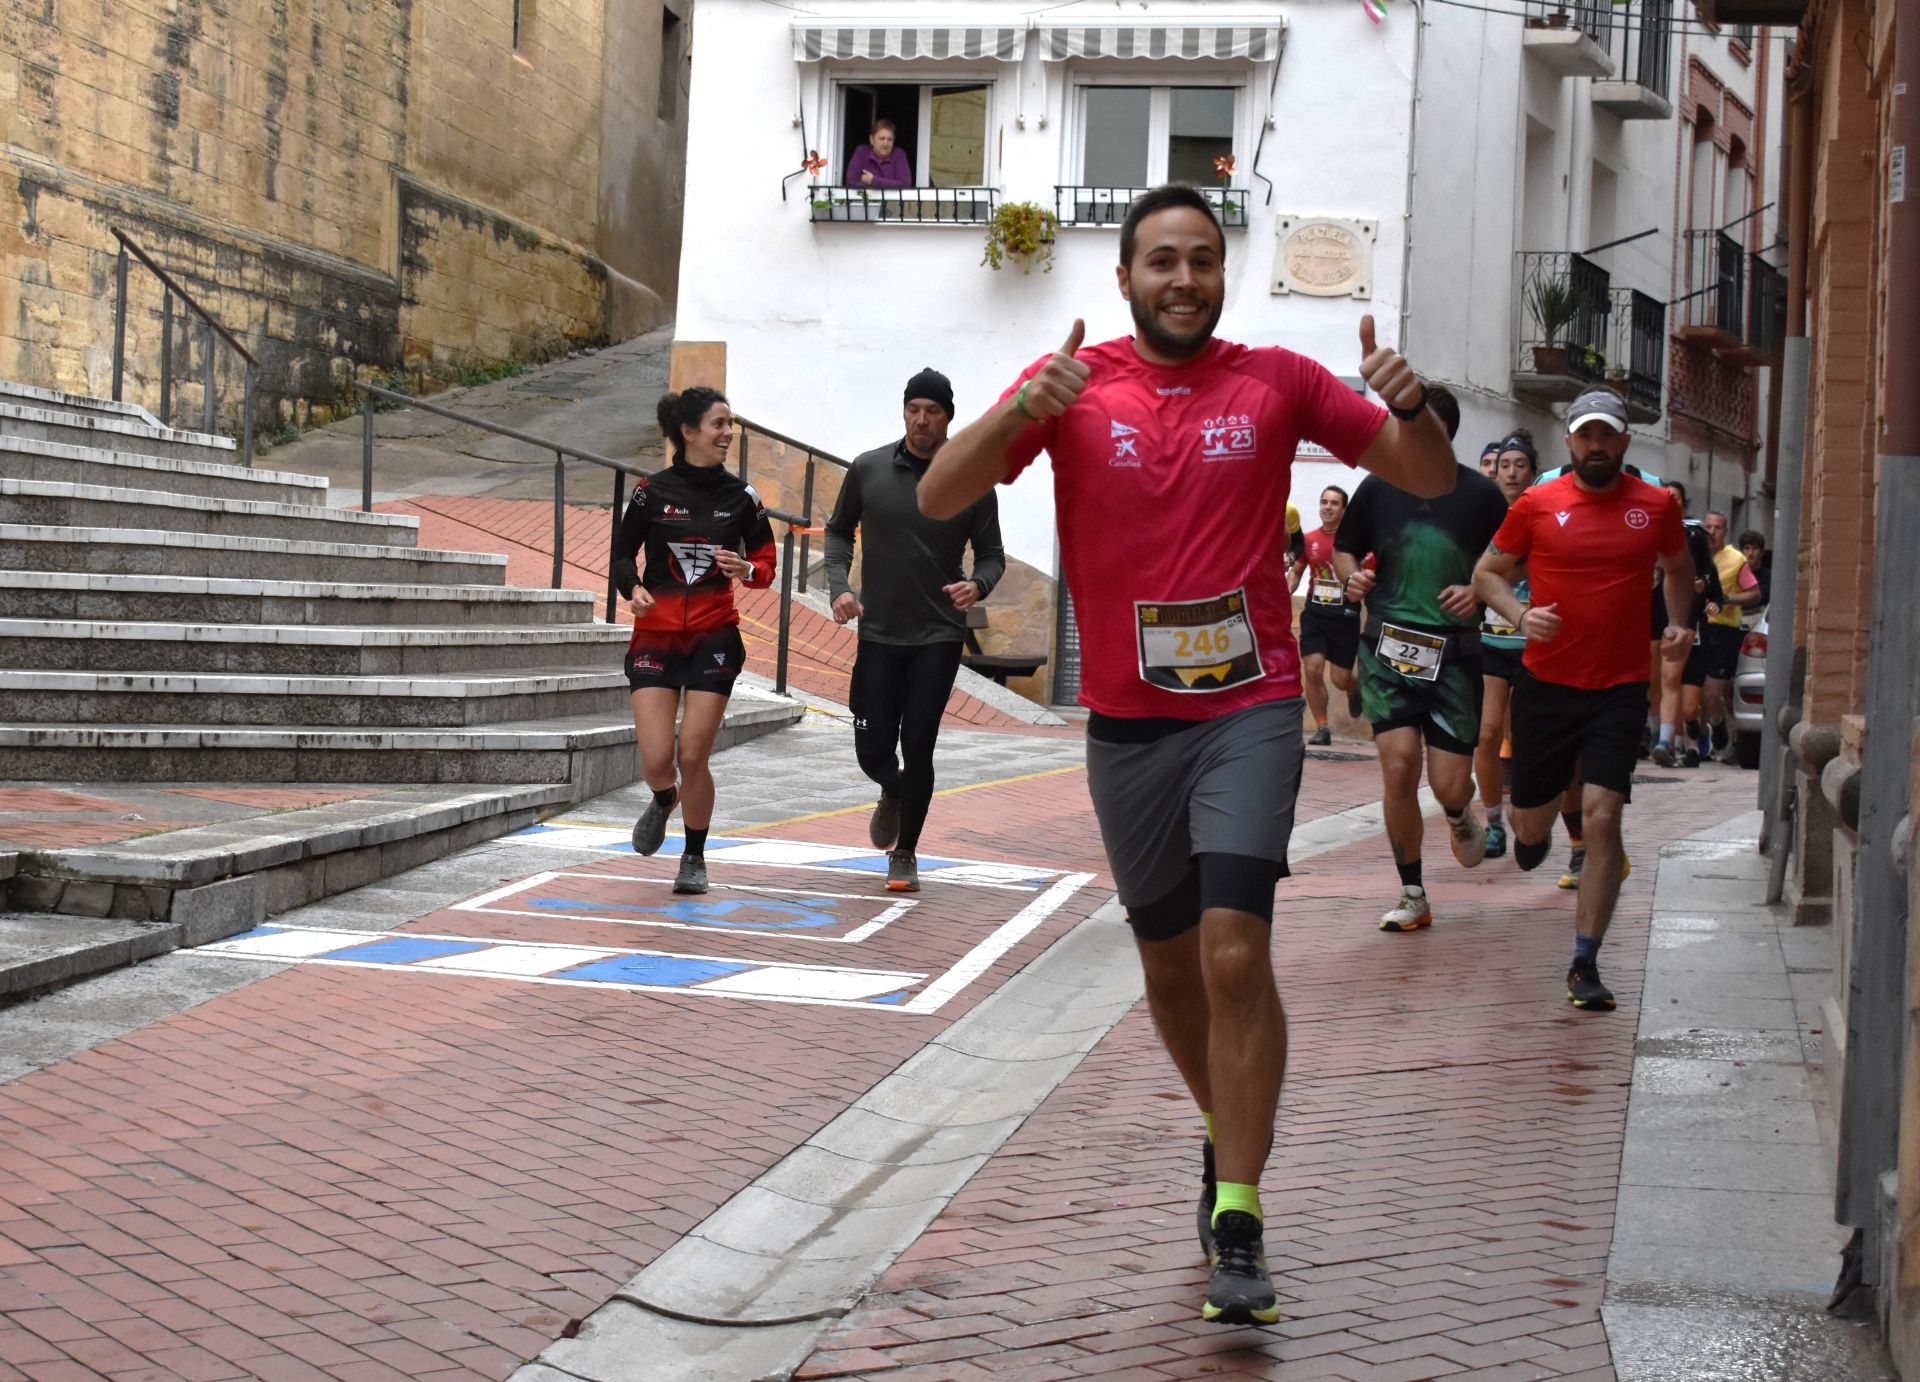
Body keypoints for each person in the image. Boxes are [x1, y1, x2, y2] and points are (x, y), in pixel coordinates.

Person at [916, 185, 1457, 1326]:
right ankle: (1225, 1122)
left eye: (1203, 259)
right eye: (1161, 260)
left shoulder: (1279, 381)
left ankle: (1242, 1214)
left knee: (1229, 950)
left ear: (1224, 274)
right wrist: (1021, 414)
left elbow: (1425, 476)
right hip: (1126, 725)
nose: (1183, 279)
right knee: (1166, 968)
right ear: (1124, 278)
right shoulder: (1075, 383)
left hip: (1249, 707)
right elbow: (938, 492)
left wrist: (1413, 411)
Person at [1473, 388, 1694, 1010]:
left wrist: (1679, 623)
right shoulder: (1538, 503)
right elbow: (1486, 574)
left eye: (1608, 435)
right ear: (1569, 442)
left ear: (1626, 442)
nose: (1596, 446)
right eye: (1586, 435)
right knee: (1531, 824)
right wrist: (1519, 614)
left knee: (1603, 817)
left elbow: (1677, 568)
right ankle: (1532, 833)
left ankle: (1584, 961)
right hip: (1545, 685)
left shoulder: (1655, 506)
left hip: (1620, 689)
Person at [825, 368, 1007, 892]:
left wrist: (979, 585)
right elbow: (838, 532)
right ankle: (893, 789)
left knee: (919, 742)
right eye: (914, 409)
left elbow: (992, 555)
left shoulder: (971, 476)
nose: (922, 419)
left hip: (938, 635)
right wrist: (839, 586)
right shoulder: (868, 468)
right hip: (878, 632)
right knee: (871, 746)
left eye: (933, 411)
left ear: (949, 417)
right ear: (904, 411)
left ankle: (905, 852)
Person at [1336, 385, 1508, 932]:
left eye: (1417, 426)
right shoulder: (1376, 489)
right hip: (1387, 646)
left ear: (1444, 432)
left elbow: (1511, 560)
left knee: (1448, 784)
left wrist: (1480, 591)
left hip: (1456, 656)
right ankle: (1412, 891)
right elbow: (1344, 548)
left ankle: (1459, 813)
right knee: (1399, 766)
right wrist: (1353, 577)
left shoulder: (1481, 496)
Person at [615, 388, 777, 894]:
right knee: (657, 761)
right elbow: (622, 555)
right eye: (719, 424)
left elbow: (766, 565)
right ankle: (664, 799)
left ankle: (694, 857)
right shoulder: (650, 492)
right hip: (655, 638)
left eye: (731, 424)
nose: (729, 433)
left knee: (692, 756)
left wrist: (748, 568)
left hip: (715, 638)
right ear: (688, 432)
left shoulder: (743, 498)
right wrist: (634, 589)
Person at [1473, 432, 1539, 858]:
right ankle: (1494, 822)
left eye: (1520, 465)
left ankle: (1535, 819)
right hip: (1492, 640)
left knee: (1530, 738)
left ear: (1533, 472)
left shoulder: (1546, 512)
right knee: (1487, 733)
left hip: (1537, 645)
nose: (1511, 472)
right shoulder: (1483, 515)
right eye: (1504, 465)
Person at [1287, 485, 1363, 746]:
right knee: (1313, 668)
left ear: (1344, 509)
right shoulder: (1309, 540)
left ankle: (1354, 689)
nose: (1327, 507)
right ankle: (1322, 727)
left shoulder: (1354, 542)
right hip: (1316, 614)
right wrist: (1284, 592)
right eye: (1324, 502)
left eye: (1334, 503)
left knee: (1340, 679)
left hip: (1345, 615)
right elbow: (1297, 572)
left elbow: (1368, 573)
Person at [1698, 509, 1762, 761]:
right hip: (1695, 627)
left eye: (1718, 528)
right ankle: (1700, 738)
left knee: (1713, 692)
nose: (1712, 532)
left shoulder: (1736, 560)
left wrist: (1727, 599)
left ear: (1726, 532)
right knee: (1694, 690)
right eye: (1708, 527)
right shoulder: (1694, 554)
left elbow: (1754, 594)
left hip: (1723, 631)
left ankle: (1717, 722)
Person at [845, 119, 911, 188]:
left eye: (890, 139)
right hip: (865, 198)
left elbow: (905, 184)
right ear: (872, 139)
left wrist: (873, 181)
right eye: (882, 138)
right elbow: (851, 181)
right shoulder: (861, 152)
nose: (885, 143)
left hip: (893, 199)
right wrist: (890, 185)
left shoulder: (899, 154)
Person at [1739, 530, 1771, 607]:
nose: (1750, 553)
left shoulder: (1769, 577)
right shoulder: (1735, 573)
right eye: (1747, 548)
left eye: (1755, 548)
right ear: (1741, 552)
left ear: (1762, 552)